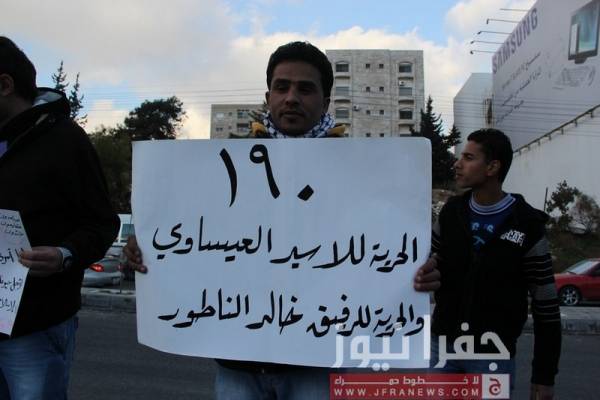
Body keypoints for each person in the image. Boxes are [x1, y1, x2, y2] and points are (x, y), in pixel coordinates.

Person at [124, 41, 440, 399]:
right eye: (282, 87)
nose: (291, 98)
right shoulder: (223, 169)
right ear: (268, 96)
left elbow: (388, 249)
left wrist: (418, 272)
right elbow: (190, 239)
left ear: (325, 101)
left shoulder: (364, 176)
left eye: (305, 89)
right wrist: (149, 247)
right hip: (238, 366)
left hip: (318, 367)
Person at [0, 37, 119, 399]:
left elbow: (102, 223)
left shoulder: (64, 140)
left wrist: (64, 254)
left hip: (34, 326)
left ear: (4, 85)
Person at [430, 129, 561, 400]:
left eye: (468, 158)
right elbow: (429, 263)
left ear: (492, 167)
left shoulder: (527, 224)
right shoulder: (451, 213)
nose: (457, 164)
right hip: (441, 350)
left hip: (492, 357)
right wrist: (425, 274)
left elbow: (546, 307)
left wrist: (544, 377)